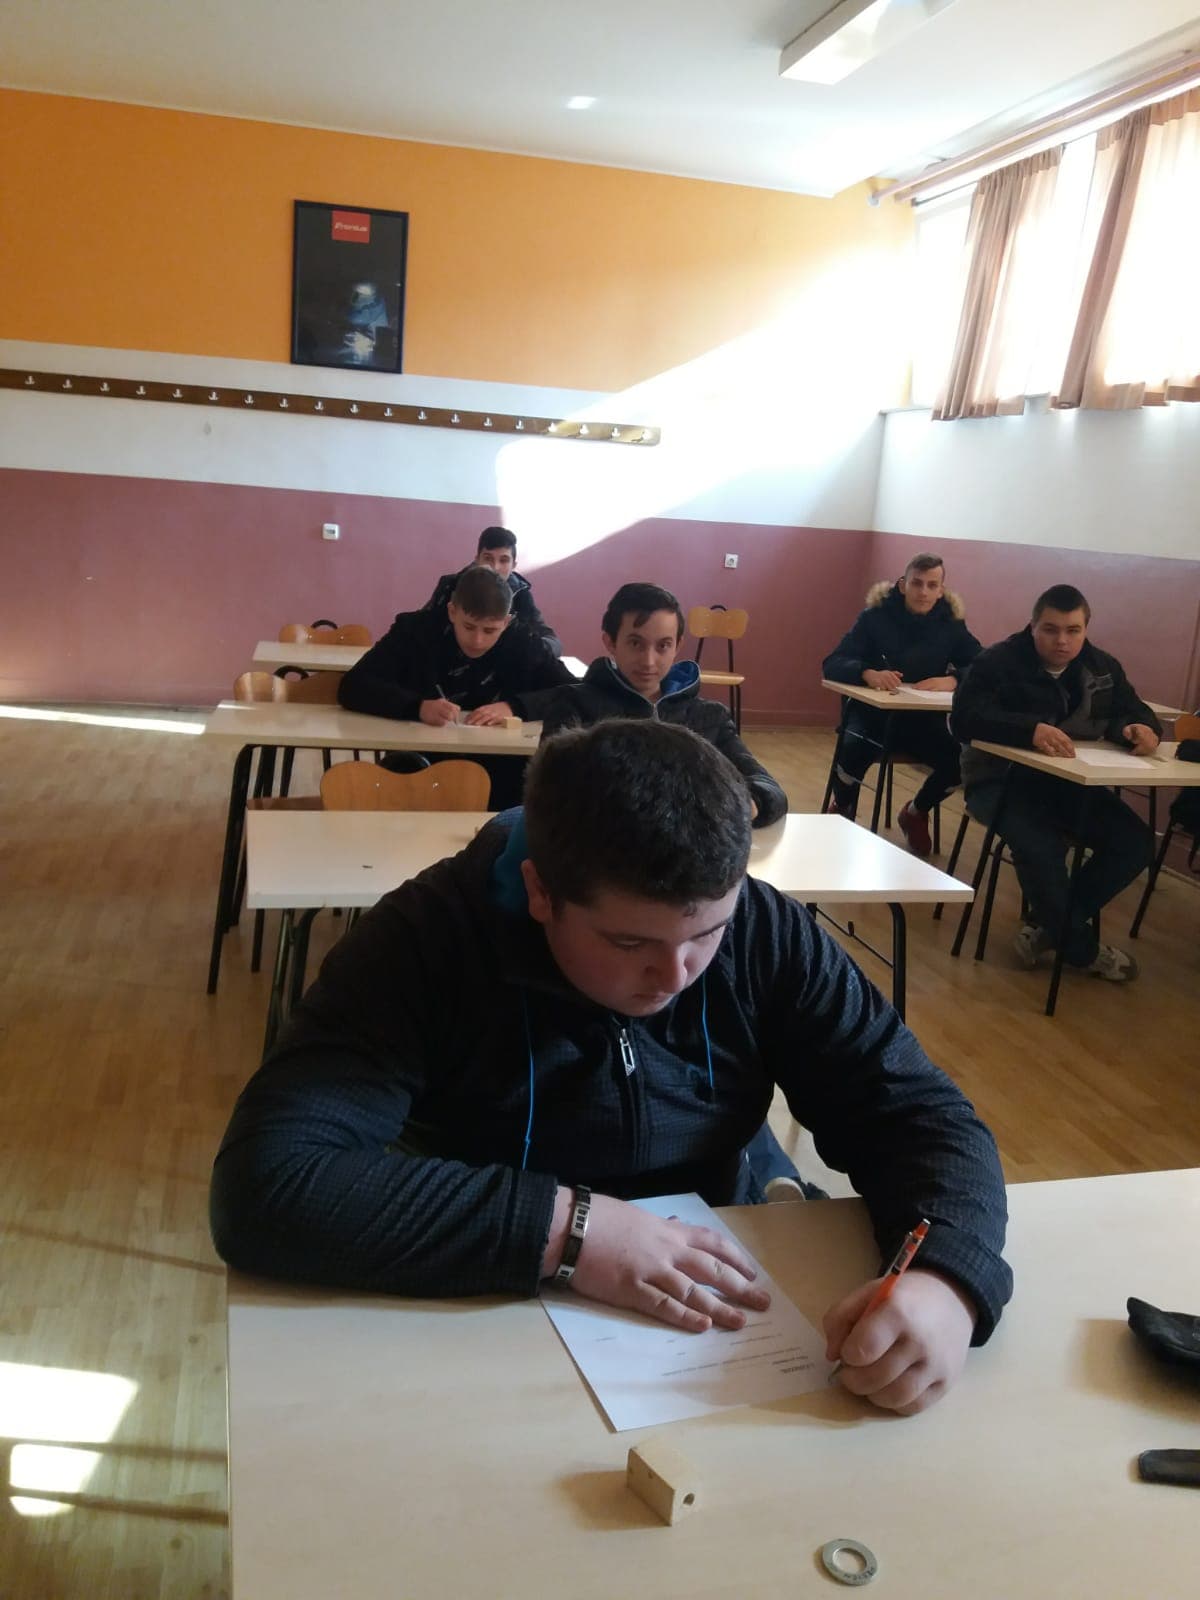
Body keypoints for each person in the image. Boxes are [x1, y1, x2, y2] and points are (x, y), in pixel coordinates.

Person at [211, 719, 1012, 1415]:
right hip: (484, 1290)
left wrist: (947, 1279)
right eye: (630, 943)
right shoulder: (425, 940)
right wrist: (572, 1229)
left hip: (716, 1292)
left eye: (707, 934)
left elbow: (918, 1114)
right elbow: (266, 1184)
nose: (678, 975)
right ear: (540, 892)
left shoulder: (763, 928)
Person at [950, 584, 1160, 982]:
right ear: (1032, 626)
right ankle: (1080, 948)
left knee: (1135, 842)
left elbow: (1133, 710)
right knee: (1041, 845)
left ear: (1086, 629)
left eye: (1073, 630)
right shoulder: (997, 662)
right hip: (997, 781)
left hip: (1068, 785)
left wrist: (1138, 729)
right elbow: (963, 719)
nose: (1062, 640)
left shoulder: (1103, 667)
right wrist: (1028, 730)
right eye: (1050, 629)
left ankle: (1048, 927)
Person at [541, 582, 787, 827]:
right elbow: (551, 788)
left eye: (663, 646)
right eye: (636, 643)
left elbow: (769, 789)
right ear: (611, 642)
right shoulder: (573, 705)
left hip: (690, 847)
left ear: (677, 646)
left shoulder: (710, 717)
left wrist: (749, 802)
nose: (649, 661)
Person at [338, 565, 574, 806]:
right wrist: (416, 707)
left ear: (506, 622)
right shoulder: (415, 631)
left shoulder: (524, 642)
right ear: (452, 611)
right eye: (469, 626)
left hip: (501, 770)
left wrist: (515, 706)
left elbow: (575, 693)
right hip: (420, 761)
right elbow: (353, 685)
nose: (477, 640)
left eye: (490, 630)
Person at [822, 554, 982, 856]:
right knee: (853, 750)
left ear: (941, 590)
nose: (923, 592)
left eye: (932, 585)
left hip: (922, 721)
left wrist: (954, 679)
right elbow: (833, 662)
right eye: (916, 583)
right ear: (902, 585)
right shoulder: (874, 617)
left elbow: (982, 665)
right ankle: (842, 806)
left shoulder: (951, 624)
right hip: (871, 717)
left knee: (959, 763)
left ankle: (916, 811)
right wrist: (866, 673)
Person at [422, 526, 562, 655]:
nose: (495, 567)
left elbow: (552, 641)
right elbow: (422, 628)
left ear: (513, 565)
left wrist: (529, 651)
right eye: (488, 558)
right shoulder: (451, 585)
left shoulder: (521, 595)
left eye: (504, 560)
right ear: (477, 560)